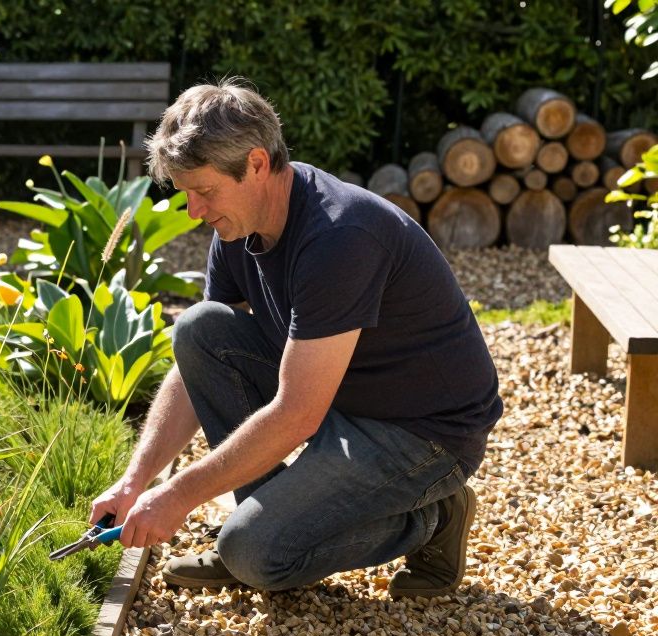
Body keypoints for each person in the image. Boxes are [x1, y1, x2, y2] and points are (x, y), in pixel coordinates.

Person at [88, 79, 503, 599]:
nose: (194, 210)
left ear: (257, 163)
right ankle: (271, 523)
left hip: (424, 433)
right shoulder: (237, 227)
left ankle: (434, 518)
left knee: (254, 556)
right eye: (186, 192)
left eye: (205, 190)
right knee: (200, 327)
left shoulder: (339, 236)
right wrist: (137, 481)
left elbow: (297, 413)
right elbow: (203, 362)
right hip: (344, 400)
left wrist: (177, 495)